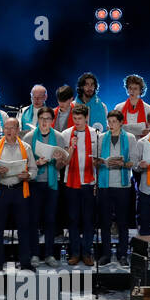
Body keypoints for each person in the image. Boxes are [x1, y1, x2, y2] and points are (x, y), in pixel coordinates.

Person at [0, 118, 34, 270]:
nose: (8, 131)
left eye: (11, 127)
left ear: (18, 129)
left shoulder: (25, 147)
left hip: (20, 190)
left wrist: (29, 175)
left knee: (23, 227)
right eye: (6, 128)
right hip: (1, 190)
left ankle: (25, 262)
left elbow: (33, 169)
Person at [23, 107, 66, 264]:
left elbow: (61, 166)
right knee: (33, 220)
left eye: (48, 118)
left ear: (52, 121)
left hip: (52, 183)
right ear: (38, 120)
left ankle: (49, 254)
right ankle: (34, 253)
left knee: (50, 219)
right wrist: (37, 163)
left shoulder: (59, 138)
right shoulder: (28, 137)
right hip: (35, 183)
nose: (45, 121)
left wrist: (59, 160)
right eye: (42, 118)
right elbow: (24, 163)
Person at [62, 104, 100, 265]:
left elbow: (98, 160)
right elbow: (65, 161)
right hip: (71, 182)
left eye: (80, 119)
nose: (76, 121)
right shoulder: (66, 134)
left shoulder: (96, 134)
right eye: (74, 118)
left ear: (86, 118)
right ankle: (75, 253)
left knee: (88, 220)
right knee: (73, 219)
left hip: (89, 182)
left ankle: (87, 253)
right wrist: (72, 146)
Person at [95, 111, 135, 263]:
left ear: (121, 123)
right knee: (105, 221)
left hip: (122, 185)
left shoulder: (130, 138)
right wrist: (100, 161)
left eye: (114, 122)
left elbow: (134, 161)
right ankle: (105, 254)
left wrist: (123, 164)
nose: (111, 125)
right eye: (109, 122)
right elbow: (95, 160)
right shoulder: (101, 138)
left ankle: (122, 253)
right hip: (104, 184)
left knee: (122, 222)